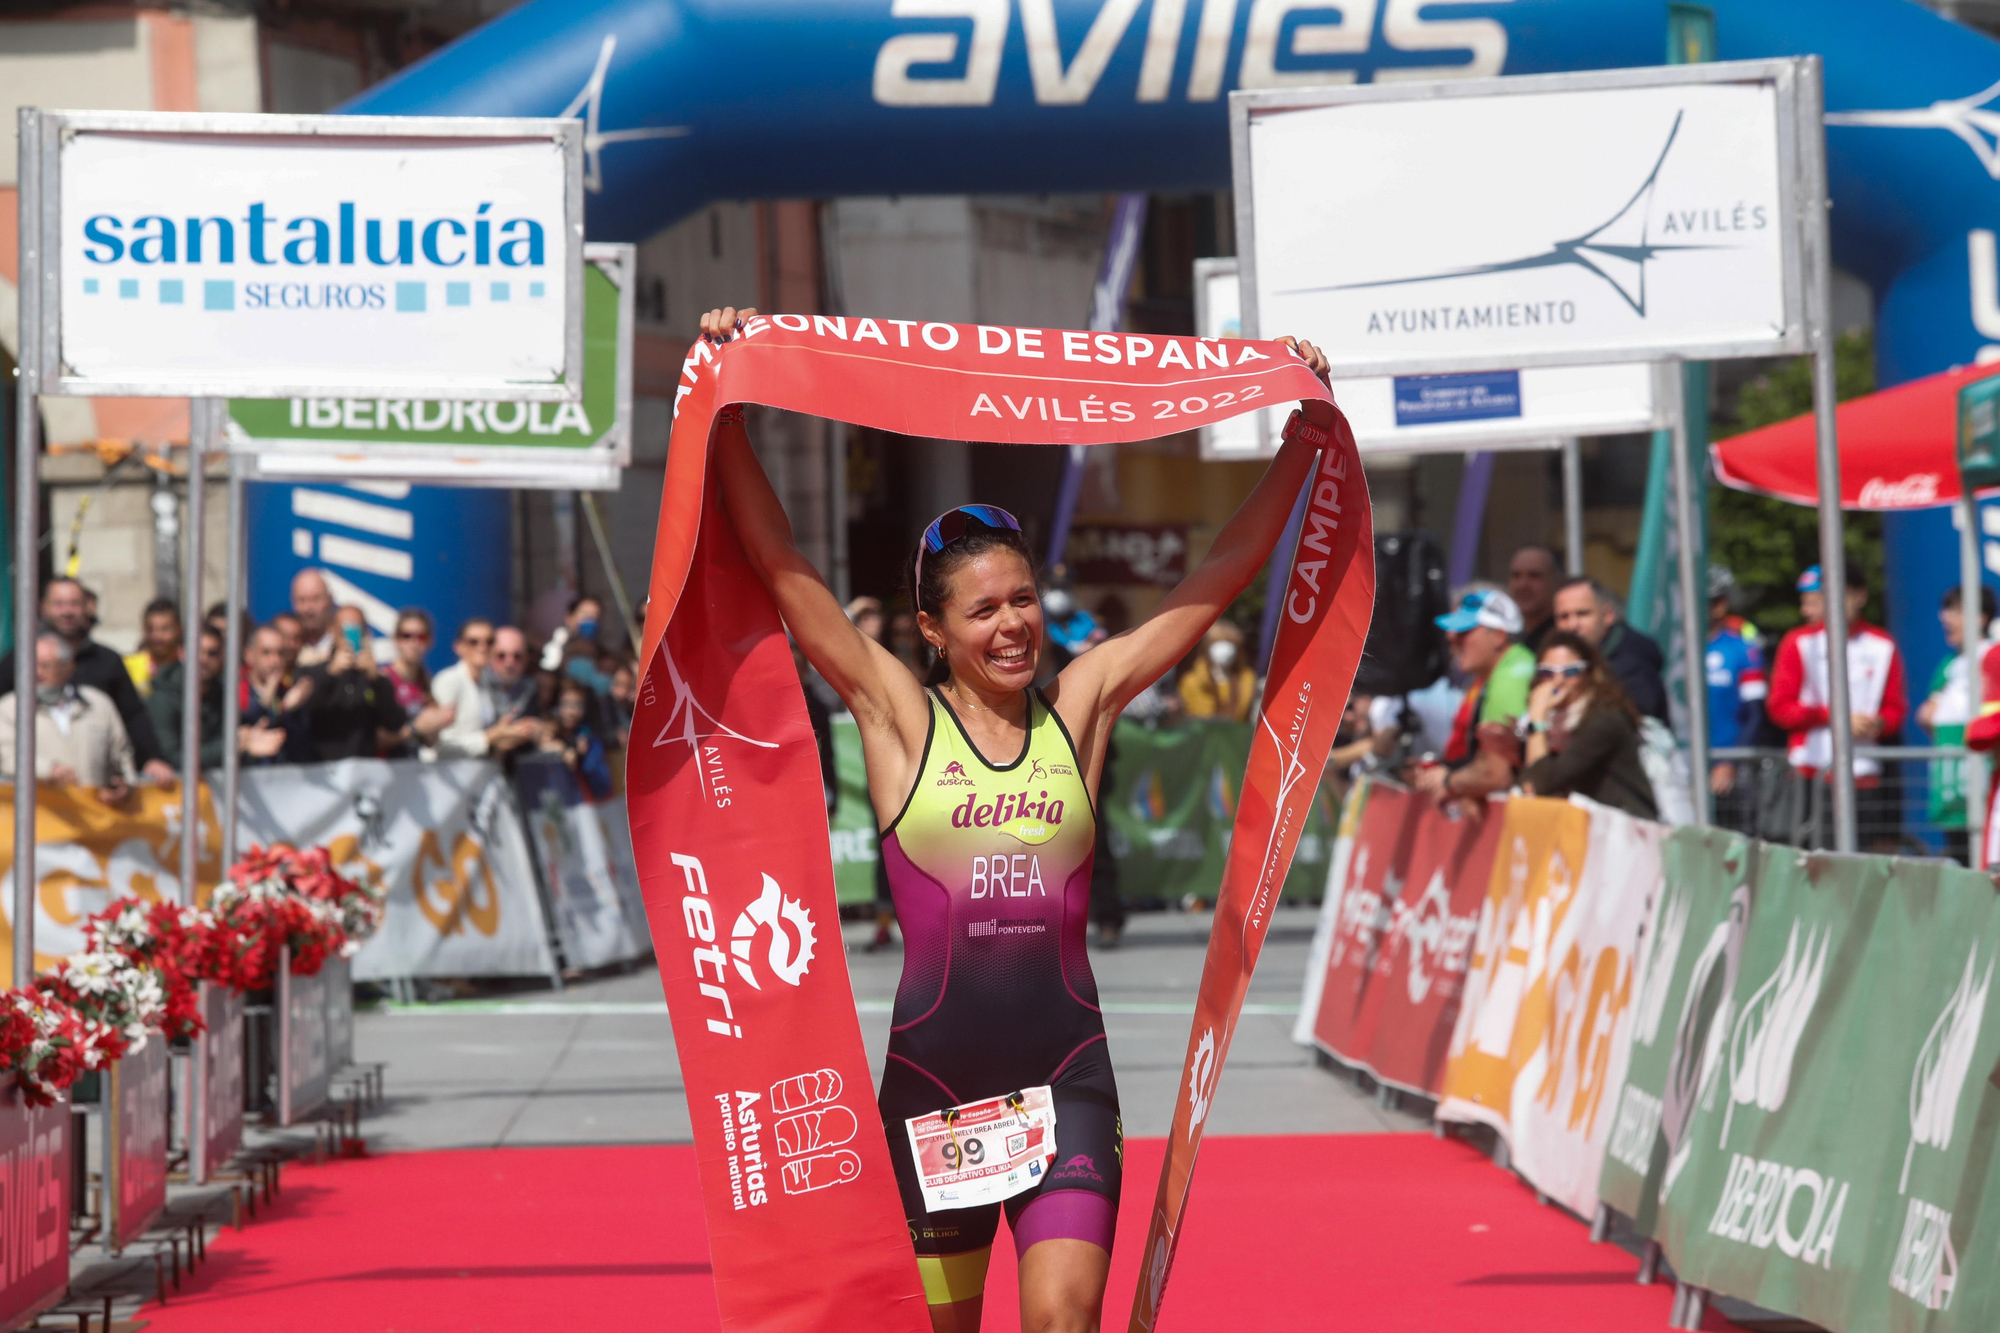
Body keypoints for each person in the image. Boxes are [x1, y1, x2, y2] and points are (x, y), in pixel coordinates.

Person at [699, 302, 1341, 1332]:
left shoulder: (1079, 706)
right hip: (931, 1088)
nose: (1012, 626)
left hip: (1066, 1080)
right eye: (983, 610)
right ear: (932, 630)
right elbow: (785, 571)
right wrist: (725, 407)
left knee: (1059, 1322)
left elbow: (1211, 579)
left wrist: (1297, 445)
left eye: (1023, 600)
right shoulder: (896, 718)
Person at [1765, 563, 1909, 850]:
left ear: (1860, 596)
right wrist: (1835, 718)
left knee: (1864, 863)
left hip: (1865, 775)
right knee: (1812, 864)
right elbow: (1780, 707)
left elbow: (1896, 709)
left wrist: (1879, 723)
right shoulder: (1799, 641)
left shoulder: (1882, 644)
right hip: (1810, 773)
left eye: (1840, 594)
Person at [0, 578, 176, 783]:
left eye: (74, 603)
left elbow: (132, 715)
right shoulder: (16, 661)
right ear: (43, 607)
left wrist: (150, 758)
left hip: (92, 790)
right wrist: (46, 769)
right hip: (37, 796)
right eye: (58, 604)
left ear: (87, 607)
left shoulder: (108, 661)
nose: (67, 611)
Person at [1413, 588, 1534, 809]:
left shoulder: (1509, 678)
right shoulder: (1504, 670)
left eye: (1464, 631)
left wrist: (1447, 781)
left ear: (1498, 636)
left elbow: (1495, 774)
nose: (1451, 637)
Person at [1519, 632, 1659, 817]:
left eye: (1570, 671)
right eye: (1547, 672)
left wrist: (1537, 717)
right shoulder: (1552, 723)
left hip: (1627, 830)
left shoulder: (1603, 720)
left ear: (1589, 673)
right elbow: (1531, 784)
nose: (1558, 681)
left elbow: (1542, 783)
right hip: (1590, 829)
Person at [0, 633, 137, 798]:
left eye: (45, 665)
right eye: (30, 665)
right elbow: (7, 758)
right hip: (40, 816)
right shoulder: (9, 708)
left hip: (95, 816)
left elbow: (122, 754)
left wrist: (125, 784)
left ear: (68, 667)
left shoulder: (98, 704)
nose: (36, 672)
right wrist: (48, 769)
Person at [1919, 584, 1996, 863]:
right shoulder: (1949, 664)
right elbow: (1930, 711)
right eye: (1945, 610)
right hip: (1950, 783)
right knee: (1962, 854)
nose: (1945, 617)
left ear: (1980, 617)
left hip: (1981, 780)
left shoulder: (1992, 655)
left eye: (1955, 610)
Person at [1552, 576, 1669, 723]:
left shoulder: (1633, 665)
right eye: (1563, 617)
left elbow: (1622, 726)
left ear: (1608, 615)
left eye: (1582, 614)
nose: (1572, 625)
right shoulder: (1556, 662)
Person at [301, 606, 408, 761]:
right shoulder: (311, 672)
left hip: (363, 772)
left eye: (356, 630)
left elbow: (394, 723)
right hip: (321, 771)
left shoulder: (374, 678)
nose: (349, 637)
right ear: (332, 630)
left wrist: (375, 680)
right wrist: (330, 673)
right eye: (344, 630)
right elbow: (303, 714)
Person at [1705, 565, 1767, 819]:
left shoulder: (1743, 650)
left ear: (1720, 605)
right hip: (1682, 766)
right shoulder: (1674, 649)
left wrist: (1731, 762)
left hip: (1730, 767)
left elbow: (1755, 714)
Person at [432, 618, 540, 759]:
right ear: (459, 646)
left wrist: (513, 734)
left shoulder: (486, 682)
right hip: (450, 774)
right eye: (474, 642)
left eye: (489, 642)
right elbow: (441, 744)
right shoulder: (448, 680)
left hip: (480, 772)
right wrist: (493, 735)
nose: (482, 647)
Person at [146, 625, 227, 772]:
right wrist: (232, 747)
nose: (204, 659)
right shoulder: (162, 699)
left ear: (222, 656)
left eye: (212, 653)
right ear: (182, 653)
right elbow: (172, 759)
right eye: (197, 651)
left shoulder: (223, 696)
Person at [384, 609, 455, 759]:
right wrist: (415, 729)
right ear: (396, 639)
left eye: (421, 637)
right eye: (406, 636)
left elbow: (430, 742)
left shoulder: (426, 682)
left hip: (412, 772)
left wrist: (438, 722)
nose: (414, 643)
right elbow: (372, 739)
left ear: (430, 641)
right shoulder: (384, 679)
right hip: (384, 773)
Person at [239, 625, 313, 765]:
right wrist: (276, 705)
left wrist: (291, 711)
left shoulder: (289, 693)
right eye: (266, 652)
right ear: (249, 655)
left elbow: (301, 749)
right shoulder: (235, 690)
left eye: (280, 653)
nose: (275, 660)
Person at [539, 677, 614, 799]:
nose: (572, 711)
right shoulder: (549, 729)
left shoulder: (587, 735)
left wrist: (579, 753)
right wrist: (561, 750)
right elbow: (543, 746)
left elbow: (601, 782)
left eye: (578, 705)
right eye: (567, 704)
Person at [1177, 621, 1257, 721]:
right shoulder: (1191, 681)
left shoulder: (1247, 680)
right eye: (1217, 642)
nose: (1225, 649)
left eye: (1230, 643)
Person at [123, 597, 183, 698]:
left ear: (179, 629)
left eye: (165, 629)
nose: (156, 636)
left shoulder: (190, 667)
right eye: (150, 629)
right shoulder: (127, 667)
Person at [1507, 544, 1561, 653]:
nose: (1522, 585)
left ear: (1555, 582)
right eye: (1516, 575)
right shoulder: (1506, 637)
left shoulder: (1561, 638)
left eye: (1534, 575)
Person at [289, 569, 339, 669]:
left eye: (316, 599)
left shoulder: (342, 642)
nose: (308, 608)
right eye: (301, 600)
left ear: (329, 599)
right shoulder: (286, 646)